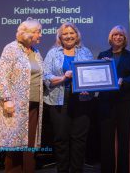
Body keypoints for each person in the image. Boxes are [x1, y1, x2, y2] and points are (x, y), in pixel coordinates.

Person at [43, 22, 94, 173]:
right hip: (58, 100)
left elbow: (92, 75)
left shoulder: (85, 52)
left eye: (72, 33)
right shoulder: (53, 53)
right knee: (61, 140)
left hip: (82, 101)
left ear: (77, 35)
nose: (69, 36)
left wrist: (88, 89)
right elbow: (46, 77)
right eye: (65, 33)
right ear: (60, 36)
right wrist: (64, 77)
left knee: (79, 140)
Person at [0, 17, 44, 173]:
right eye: (38, 32)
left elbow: (42, 75)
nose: (41, 35)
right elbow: (2, 75)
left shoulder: (36, 52)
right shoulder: (11, 49)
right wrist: (7, 99)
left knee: (29, 145)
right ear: (29, 33)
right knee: (15, 143)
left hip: (34, 104)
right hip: (16, 105)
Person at [97, 25, 130, 173]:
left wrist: (122, 81)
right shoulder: (102, 55)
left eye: (121, 35)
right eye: (115, 35)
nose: (118, 37)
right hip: (106, 101)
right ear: (110, 37)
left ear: (125, 38)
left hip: (124, 101)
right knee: (106, 139)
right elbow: (98, 76)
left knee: (123, 138)